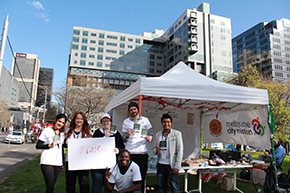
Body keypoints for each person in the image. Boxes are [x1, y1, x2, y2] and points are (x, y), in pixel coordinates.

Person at [122, 102, 153, 193]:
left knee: (142, 177)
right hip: (130, 154)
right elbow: (123, 139)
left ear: (138, 110)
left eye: (134, 109)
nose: (133, 111)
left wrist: (149, 138)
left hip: (142, 153)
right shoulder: (126, 122)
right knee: (129, 177)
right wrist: (127, 134)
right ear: (129, 111)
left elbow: (150, 134)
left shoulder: (145, 120)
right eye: (131, 110)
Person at [91, 113, 125, 193]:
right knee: (97, 185)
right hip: (98, 165)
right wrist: (105, 137)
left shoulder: (116, 133)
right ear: (101, 123)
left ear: (110, 121)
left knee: (110, 185)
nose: (106, 123)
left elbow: (122, 146)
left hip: (111, 165)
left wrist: (118, 150)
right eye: (104, 121)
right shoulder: (97, 133)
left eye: (108, 121)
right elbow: (93, 147)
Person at [36, 113, 68, 193]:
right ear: (55, 120)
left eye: (62, 123)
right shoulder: (47, 130)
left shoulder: (62, 134)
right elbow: (38, 145)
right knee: (50, 186)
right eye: (59, 121)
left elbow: (61, 149)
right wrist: (49, 145)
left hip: (57, 163)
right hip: (47, 161)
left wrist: (62, 164)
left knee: (52, 186)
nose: (60, 124)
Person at [153, 113, 183, 193]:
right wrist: (156, 151)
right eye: (164, 122)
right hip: (161, 165)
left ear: (171, 123)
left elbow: (180, 150)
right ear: (161, 123)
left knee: (174, 187)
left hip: (172, 165)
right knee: (162, 187)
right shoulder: (158, 135)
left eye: (168, 122)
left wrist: (177, 166)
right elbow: (154, 148)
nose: (166, 124)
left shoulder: (176, 134)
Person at [64, 111, 93, 193]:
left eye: (81, 119)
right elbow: (63, 144)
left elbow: (90, 148)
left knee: (84, 184)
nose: (79, 120)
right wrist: (66, 143)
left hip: (83, 162)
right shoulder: (68, 131)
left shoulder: (88, 132)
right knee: (70, 184)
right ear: (74, 119)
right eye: (77, 118)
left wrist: (89, 163)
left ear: (84, 120)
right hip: (70, 161)